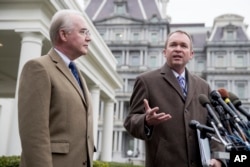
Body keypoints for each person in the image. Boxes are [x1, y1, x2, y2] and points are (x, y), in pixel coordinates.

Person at [124, 30, 226, 167]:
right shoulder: (146, 81)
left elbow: (214, 127)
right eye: (173, 45)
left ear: (191, 54)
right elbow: (130, 121)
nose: (178, 49)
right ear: (165, 52)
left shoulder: (204, 86)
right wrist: (146, 121)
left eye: (183, 46)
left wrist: (218, 158)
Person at [18, 9, 94, 167]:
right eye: (83, 32)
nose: (89, 38)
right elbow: (34, 135)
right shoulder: (38, 68)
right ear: (63, 34)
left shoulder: (76, 73)